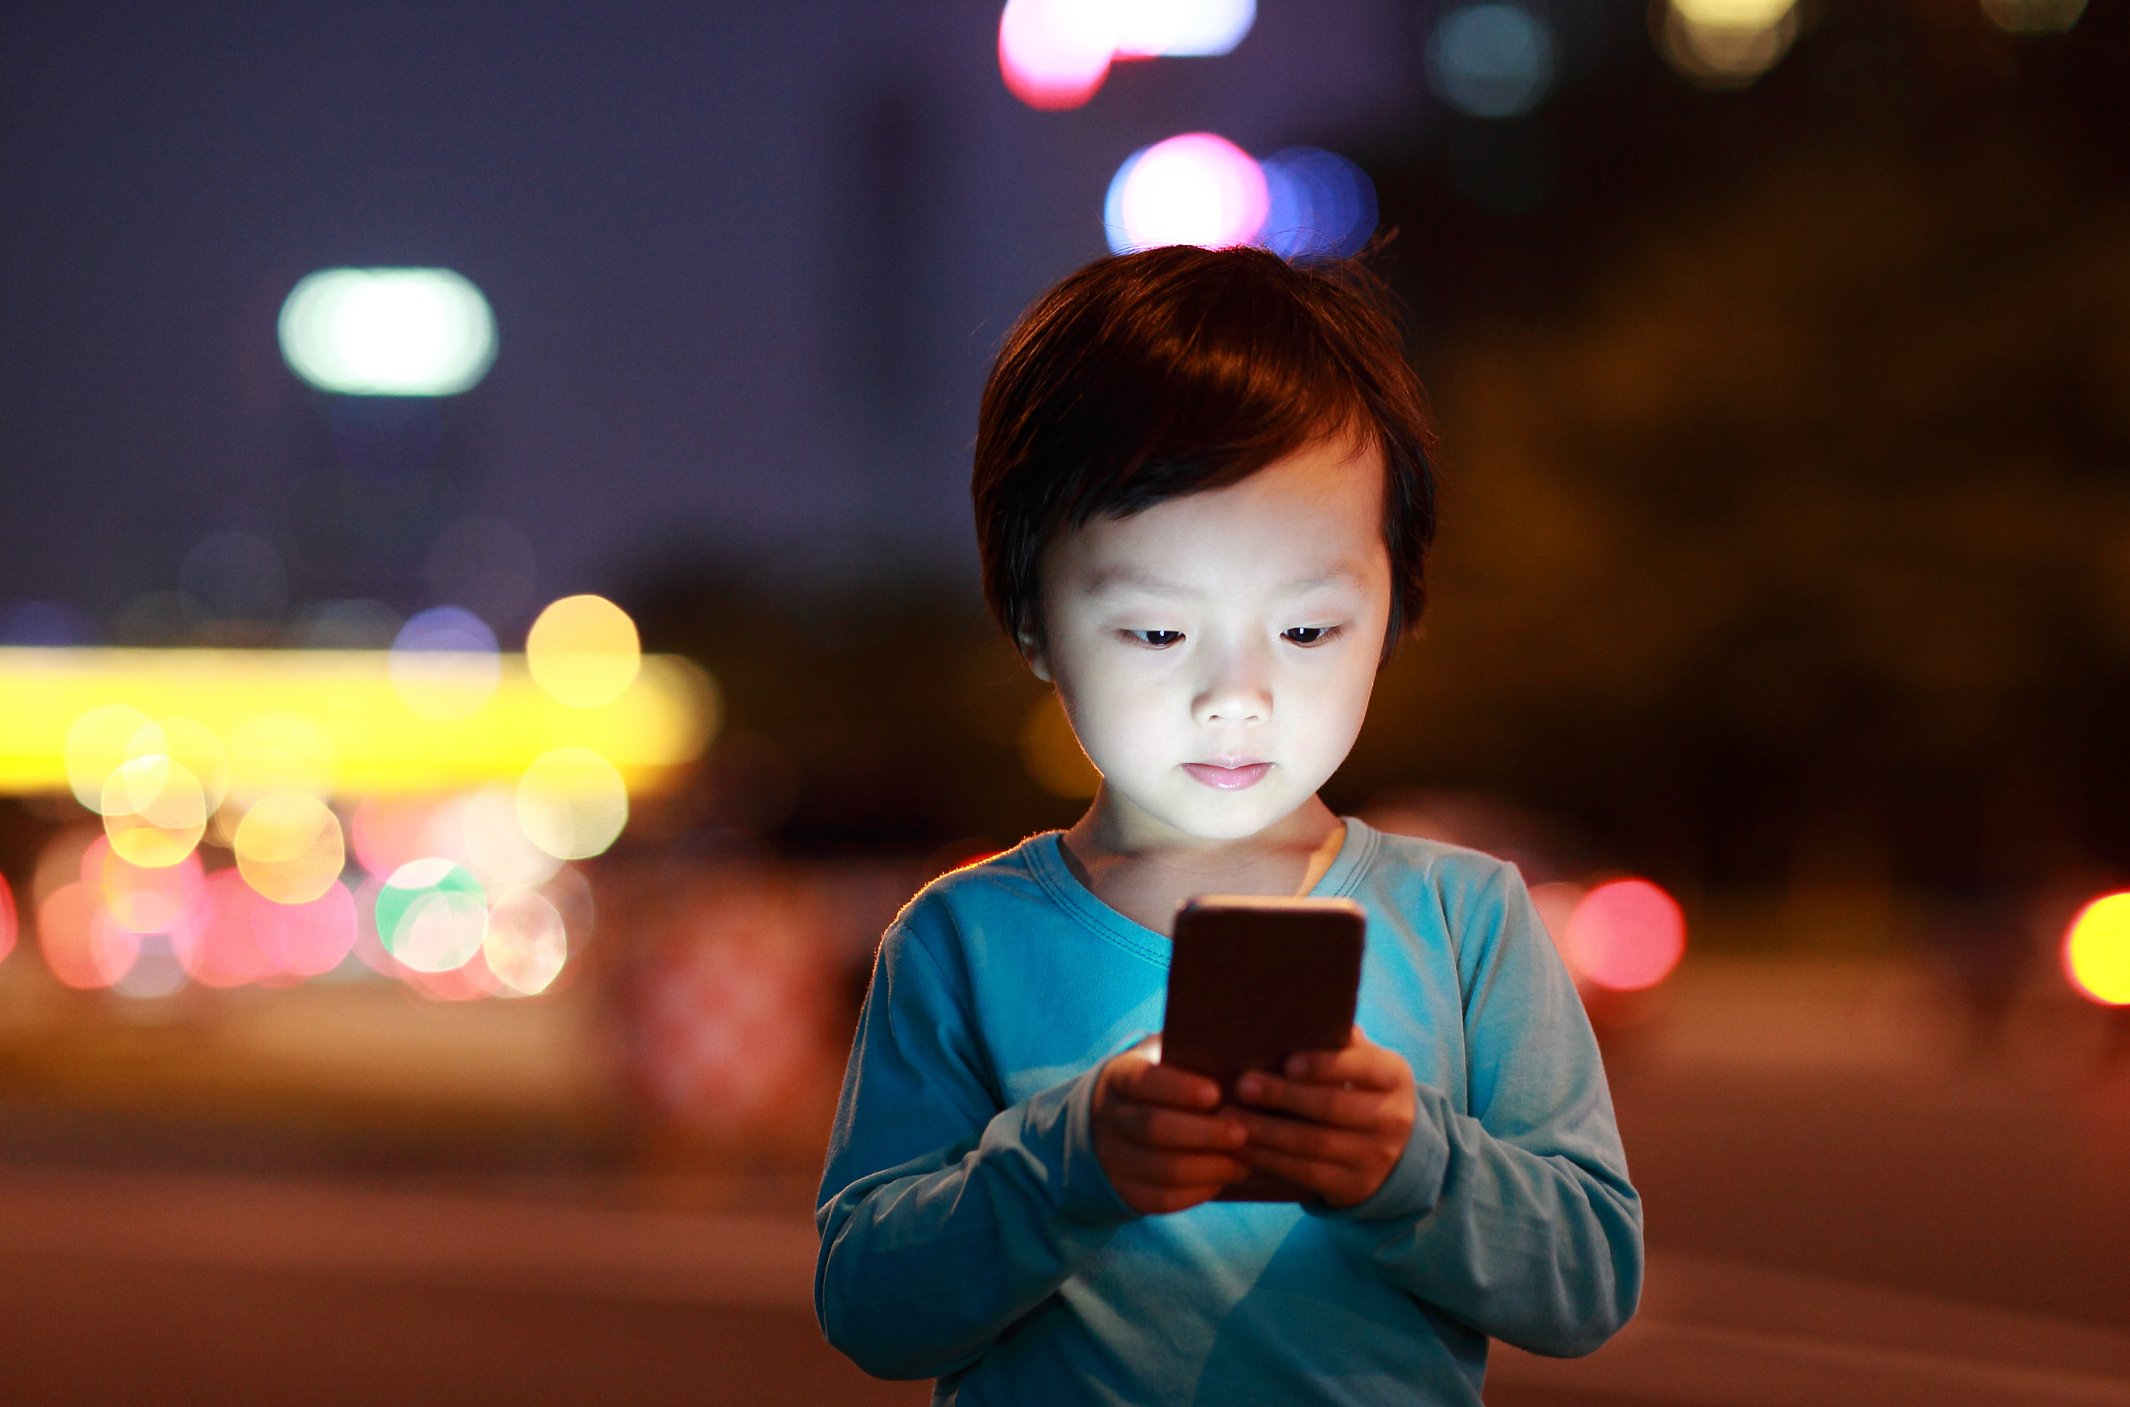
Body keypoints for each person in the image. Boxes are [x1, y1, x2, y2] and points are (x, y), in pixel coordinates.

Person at [814, 244, 1642, 1405]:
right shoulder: (964, 940)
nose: (1236, 693)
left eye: (1307, 632)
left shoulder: (1467, 921)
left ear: (1396, 605)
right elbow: (870, 1307)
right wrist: (1068, 1168)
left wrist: (1412, 1168)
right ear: (1032, 618)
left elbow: (1589, 1279)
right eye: (1157, 634)